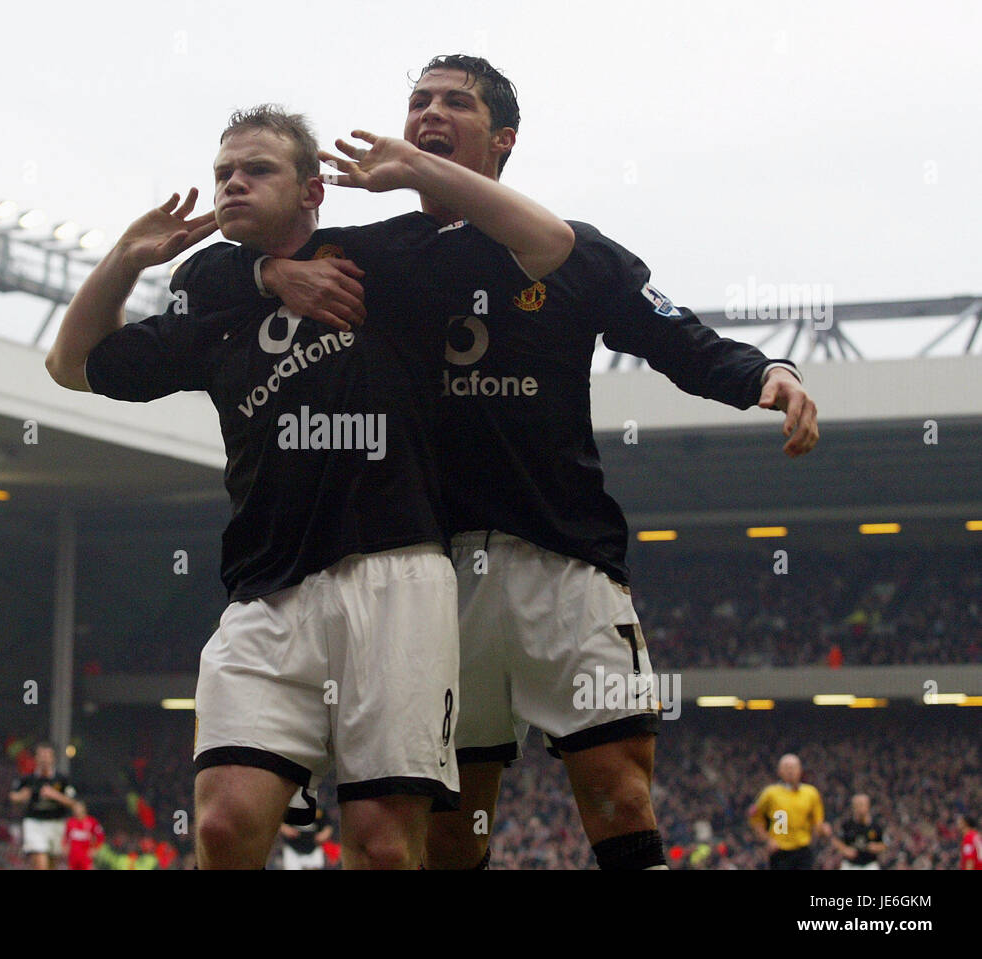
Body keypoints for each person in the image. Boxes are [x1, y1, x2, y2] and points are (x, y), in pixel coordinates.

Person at [239, 54, 818, 870]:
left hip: (565, 557)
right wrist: (271, 270)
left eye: (455, 102)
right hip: (432, 578)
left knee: (618, 787)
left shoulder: (566, 249)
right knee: (454, 827)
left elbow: (670, 330)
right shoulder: (371, 252)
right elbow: (216, 277)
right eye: (418, 102)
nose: (428, 113)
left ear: (504, 137)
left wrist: (765, 372)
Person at [46, 104, 573, 869]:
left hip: (394, 574)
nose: (232, 184)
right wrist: (128, 258)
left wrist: (419, 168)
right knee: (223, 824)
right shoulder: (212, 293)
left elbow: (550, 243)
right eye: (223, 171)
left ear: (312, 189)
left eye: (257, 170)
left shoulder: (386, 258)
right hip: (264, 591)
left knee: (384, 843)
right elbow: (71, 365)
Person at [748, 753, 828, 869]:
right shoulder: (770, 794)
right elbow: (755, 819)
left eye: (793, 767)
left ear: (800, 770)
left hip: (803, 849)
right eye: (786, 768)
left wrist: (823, 830)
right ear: (779, 771)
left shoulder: (811, 793)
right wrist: (767, 840)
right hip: (780, 850)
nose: (790, 771)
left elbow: (817, 821)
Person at [10, 744, 79, 869]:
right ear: (36, 758)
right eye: (41, 756)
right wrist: (21, 796)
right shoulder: (28, 779)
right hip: (34, 822)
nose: (44, 759)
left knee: (52, 864)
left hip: (56, 823)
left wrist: (55, 795)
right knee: (40, 860)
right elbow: (13, 795)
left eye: (47, 756)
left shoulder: (61, 779)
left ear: (53, 758)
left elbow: (72, 801)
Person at [833, 793, 885, 869]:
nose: (859, 808)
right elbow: (836, 840)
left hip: (869, 865)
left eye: (861, 804)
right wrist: (845, 849)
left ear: (868, 806)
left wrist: (876, 847)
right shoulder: (847, 825)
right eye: (857, 805)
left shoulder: (876, 826)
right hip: (850, 865)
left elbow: (884, 844)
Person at [62, 800, 105, 871]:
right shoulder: (70, 822)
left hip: (85, 856)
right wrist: (64, 847)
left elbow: (100, 837)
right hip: (73, 856)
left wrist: (95, 849)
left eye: (79, 808)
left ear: (84, 809)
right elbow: (65, 837)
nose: (77, 810)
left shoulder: (92, 821)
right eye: (75, 808)